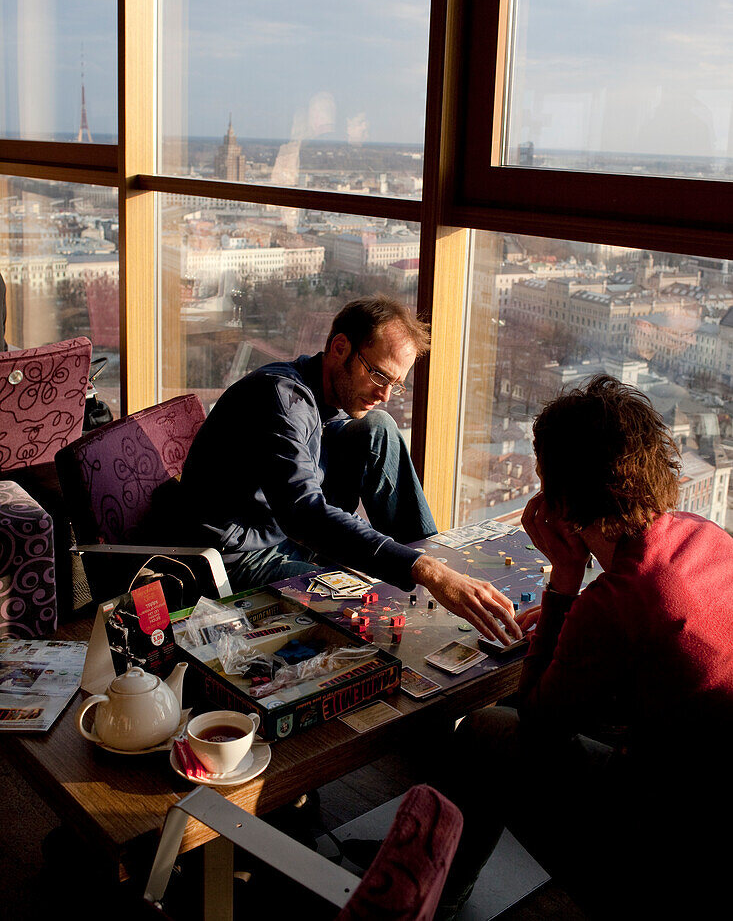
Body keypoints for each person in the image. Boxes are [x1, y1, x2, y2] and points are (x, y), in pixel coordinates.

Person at [433, 375, 733, 919]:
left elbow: (537, 719)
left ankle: (438, 900)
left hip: (666, 836)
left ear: (562, 499)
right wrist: (568, 620)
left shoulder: (620, 595)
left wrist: (565, 580)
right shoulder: (703, 532)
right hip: (715, 798)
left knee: (485, 729)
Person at [181, 295, 521, 643]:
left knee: (378, 427)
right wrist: (421, 570)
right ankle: (428, 574)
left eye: (396, 383)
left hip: (282, 530)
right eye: (377, 374)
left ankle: (435, 568)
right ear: (340, 347)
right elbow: (304, 514)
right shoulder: (281, 399)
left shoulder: (324, 396)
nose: (386, 393)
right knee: (363, 606)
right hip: (240, 555)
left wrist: (424, 566)